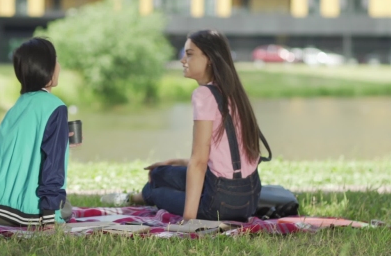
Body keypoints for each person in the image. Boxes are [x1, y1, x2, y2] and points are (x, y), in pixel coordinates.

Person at [103, 30, 270, 222]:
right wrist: (178, 161)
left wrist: (188, 219)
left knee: (157, 192)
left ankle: (135, 198)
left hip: (219, 204)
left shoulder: (204, 95)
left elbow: (199, 162)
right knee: (158, 173)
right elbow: (226, 157)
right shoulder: (235, 93)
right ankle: (141, 194)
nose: (183, 60)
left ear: (209, 58)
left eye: (189, 54)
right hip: (249, 199)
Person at [0, 37, 77, 228]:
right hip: (23, 214)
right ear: (46, 68)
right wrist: (48, 219)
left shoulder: (18, 105)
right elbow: (52, 165)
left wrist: (62, 139)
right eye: (55, 59)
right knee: (66, 208)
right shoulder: (55, 106)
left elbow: (22, 147)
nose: (59, 65)